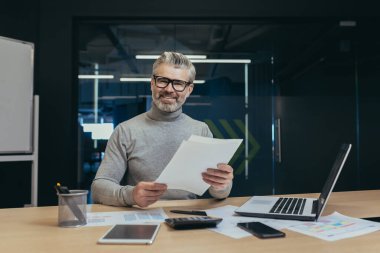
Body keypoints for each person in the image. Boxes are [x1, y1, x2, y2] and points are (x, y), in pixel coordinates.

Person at [91, 51, 234, 208]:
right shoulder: (125, 131)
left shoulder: (201, 130)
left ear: (189, 90)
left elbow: (220, 193)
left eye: (178, 83)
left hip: (189, 217)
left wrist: (222, 185)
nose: (169, 89)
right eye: (163, 80)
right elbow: (98, 188)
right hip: (141, 219)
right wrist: (131, 195)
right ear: (152, 83)